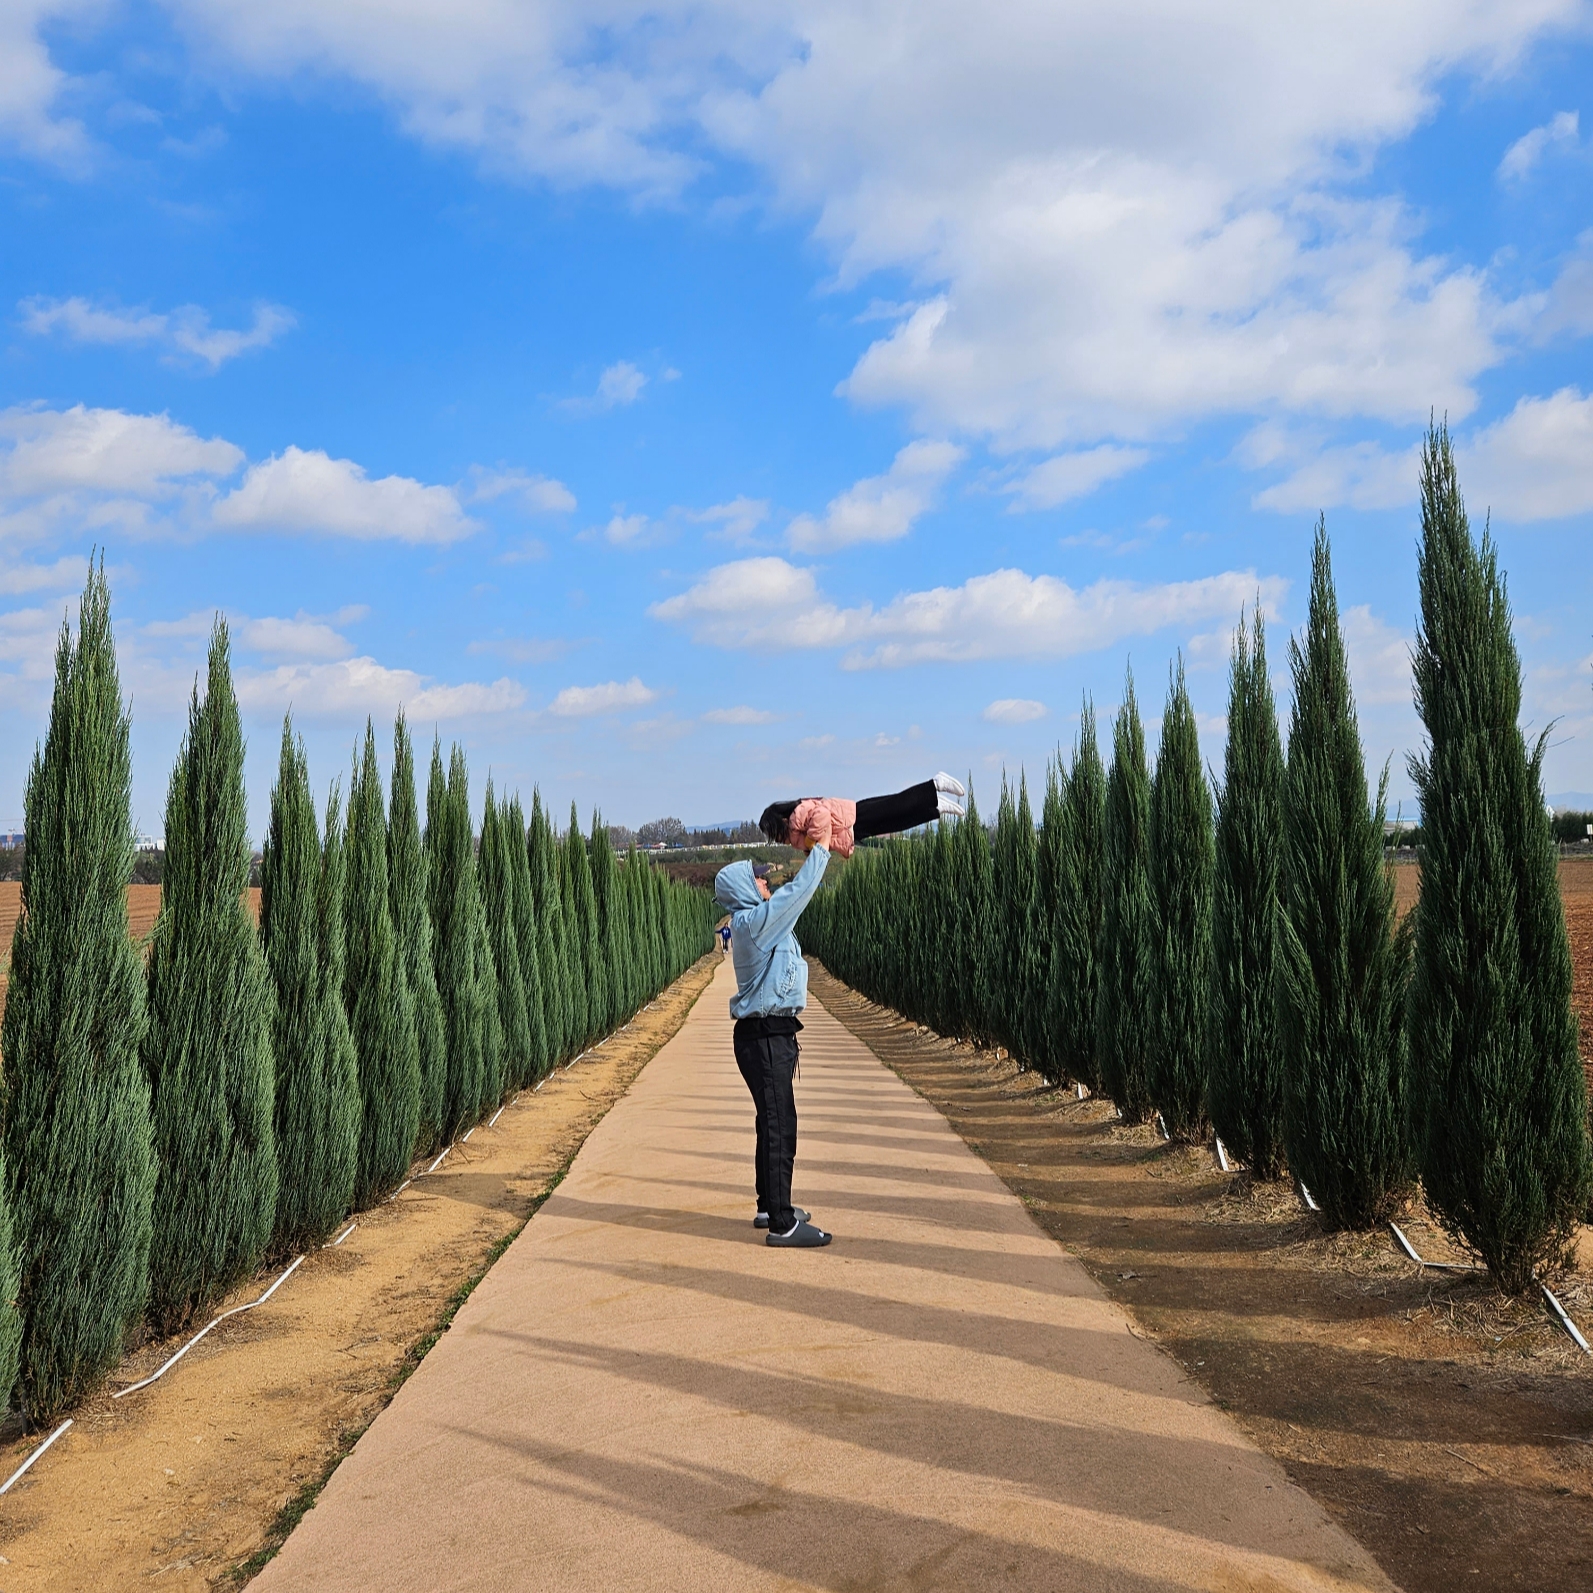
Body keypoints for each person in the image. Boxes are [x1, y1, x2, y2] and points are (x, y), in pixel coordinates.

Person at [714, 843, 834, 1248]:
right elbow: (797, 894)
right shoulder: (753, 923)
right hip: (765, 1037)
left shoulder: (754, 923)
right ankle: (782, 1223)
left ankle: (770, 1205)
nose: (766, 882)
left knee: (771, 1122)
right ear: (744, 889)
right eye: (759, 879)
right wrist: (821, 850)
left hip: (766, 1035)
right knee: (780, 1125)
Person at [758, 772, 965, 857]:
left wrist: (812, 841)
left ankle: (935, 785)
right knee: (898, 822)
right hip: (853, 831)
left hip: (853, 818)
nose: (774, 838)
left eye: (772, 832)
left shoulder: (796, 816)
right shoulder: (794, 836)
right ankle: (936, 808)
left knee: (897, 805)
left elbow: (821, 815)